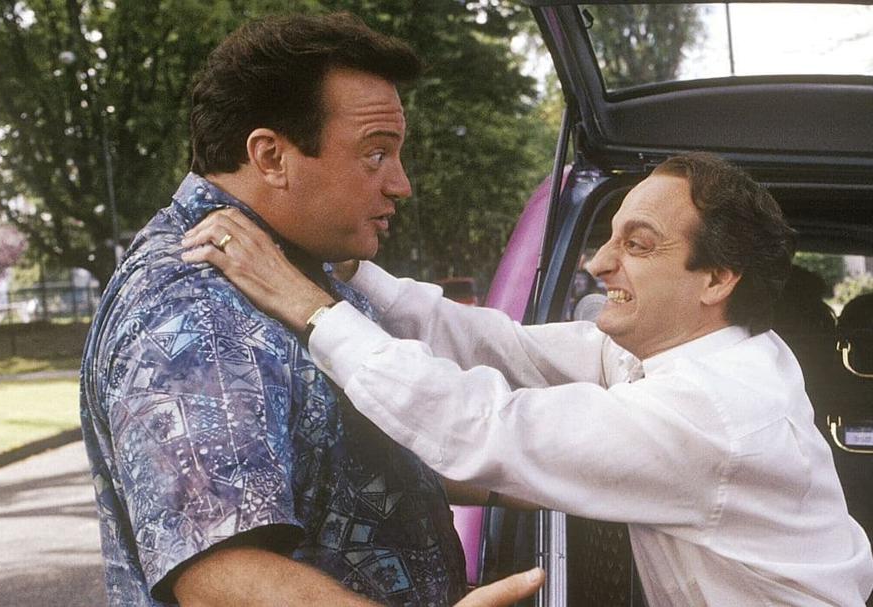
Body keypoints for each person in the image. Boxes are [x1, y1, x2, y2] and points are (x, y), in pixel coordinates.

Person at [183, 152, 873, 606]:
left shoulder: (714, 410)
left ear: (717, 279)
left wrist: (312, 310)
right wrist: (353, 273)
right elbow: (506, 348)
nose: (598, 262)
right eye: (609, 235)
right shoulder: (717, 349)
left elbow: (484, 427)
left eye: (636, 244)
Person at [79, 12, 543, 607]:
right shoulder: (197, 302)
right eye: (375, 155)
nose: (400, 184)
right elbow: (221, 574)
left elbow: (356, 469)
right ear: (271, 157)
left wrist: (568, 481)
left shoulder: (284, 268)